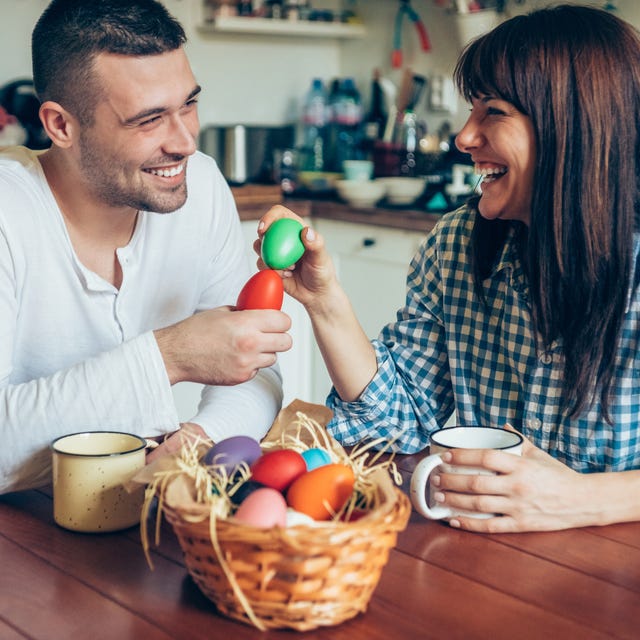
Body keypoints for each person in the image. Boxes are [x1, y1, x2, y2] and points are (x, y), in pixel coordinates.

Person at [256, 4, 640, 532]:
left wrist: (583, 499)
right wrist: (323, 300)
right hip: (489, 559)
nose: (463, 137)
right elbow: (397, 425)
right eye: (470, 110)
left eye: (493, 112)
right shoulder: (459, 244)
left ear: (571, 126)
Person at [0, 0, 292, 494]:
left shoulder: (201, 185)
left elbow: (256, 369)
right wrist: (169, 356)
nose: (184, 142)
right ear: (61, 126)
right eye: (149, 119)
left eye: (188, 105)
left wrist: (203, 436)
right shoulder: (9, 210)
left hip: (136, 526)